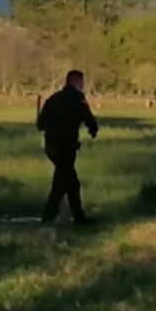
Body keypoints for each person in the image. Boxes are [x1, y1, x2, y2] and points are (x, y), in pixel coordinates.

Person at [37, 69, 99, 224]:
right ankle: (50, 217)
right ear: (76, 82)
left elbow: (40, 124)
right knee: (63, 183)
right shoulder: (78, 98)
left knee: (68, 181)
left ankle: (77, 217)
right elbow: (88, 118)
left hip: (51, 146)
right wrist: (93, 129)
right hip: (66, 147)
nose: (82, 85)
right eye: (81, 82)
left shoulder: (53, 99)